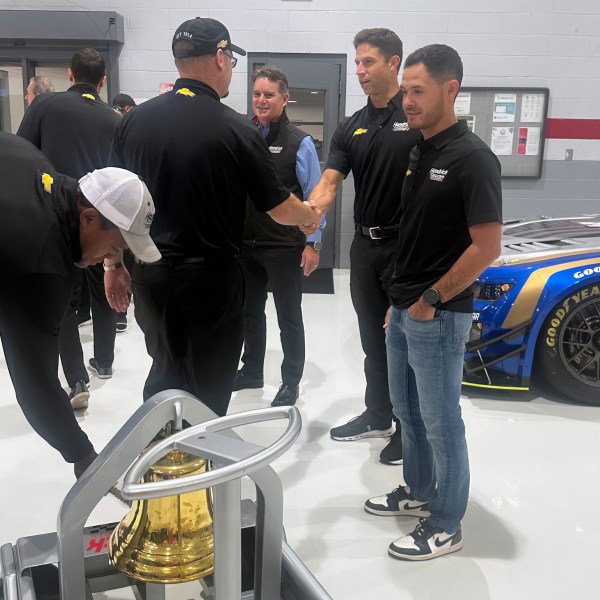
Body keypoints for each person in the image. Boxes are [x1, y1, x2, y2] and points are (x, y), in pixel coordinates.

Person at [108, 17, 321, 418]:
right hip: (211, 281)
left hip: (149, 278)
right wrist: (308, 217)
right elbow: (276, 204)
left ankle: (163, 457)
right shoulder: (236, 129)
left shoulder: (133, 121)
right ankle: (200, 462)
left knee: (164, 370)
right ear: (221, 57)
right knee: (208, 384)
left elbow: (115, 203)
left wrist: (113, 264)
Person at [364, 44, 502, 560]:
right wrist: (399, 299)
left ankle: (447, 522)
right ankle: (421, 494)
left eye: (418, 92)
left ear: (451, 90)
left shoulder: (473, 158)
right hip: (406, 306)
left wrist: (429, 299)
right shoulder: (421, 149)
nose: (407, 102)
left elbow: (487, 246)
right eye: (405, 92)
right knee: (408, 412)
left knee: (442, 419)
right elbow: (415, 234)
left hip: (439, 314)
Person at [0, 132, 160, 478]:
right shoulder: (40, 264)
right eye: (115, 244)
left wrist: (112, 264)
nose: (111, 254)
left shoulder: (36, 163)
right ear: (87, 218)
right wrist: (83, 456)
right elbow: (35, 386)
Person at [308, 28, 419, 465]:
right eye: (356, 62)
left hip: (405, 247)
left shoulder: (415, 120)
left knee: (405, 343)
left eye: (368, 62)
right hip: (364, 247)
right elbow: (330, 182)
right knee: (373, 338)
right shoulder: (352, 125)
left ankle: (409, 430)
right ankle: (378, 413)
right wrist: (309, 212)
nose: (360, 71)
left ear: (394, 63)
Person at [18, 48, 122, 408]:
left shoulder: (45, 106)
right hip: (101, 219)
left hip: (55, 215)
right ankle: (105, 361)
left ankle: (77, 379)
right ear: (103, 80)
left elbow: (21, 154)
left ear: (70, 75)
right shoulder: (114, 118)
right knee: (102, 287)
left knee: (64, 302)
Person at [233, 65, 325, 407]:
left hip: (283, 245)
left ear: (285, 99)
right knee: (250, 312)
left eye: (269, 94)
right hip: (246, 244)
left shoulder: (299, 143)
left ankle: (290, 382)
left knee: (289, 316)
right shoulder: (243, 134)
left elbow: (315, 197)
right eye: (257, 94)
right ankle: (252, 370)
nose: (261, 100)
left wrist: (313, 243)